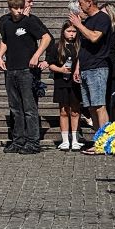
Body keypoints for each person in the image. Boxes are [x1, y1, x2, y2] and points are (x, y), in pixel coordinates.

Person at [0, 0, 51, 154]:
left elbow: (46, 37)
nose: (19, 11)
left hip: (27, 70)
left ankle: (33, 141)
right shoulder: (5, 21)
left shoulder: (29, 21)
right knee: (15, 107)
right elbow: (5, 40)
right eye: (16, 8)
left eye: (21, 7)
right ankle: (18, 140)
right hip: (11, 68)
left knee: (29, 107)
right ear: (10, 8)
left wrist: (37, 55)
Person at [69, 0, 111, 132]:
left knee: (99, 105)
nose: (79, 6)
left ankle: (105, 139)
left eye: (81, 3)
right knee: (91, 106)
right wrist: (77, 68)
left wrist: (79, 25)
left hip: (97, 67)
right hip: (86, 67)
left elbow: (94, 37)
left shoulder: (102, 18)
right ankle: (97, 139)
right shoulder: (88, 20)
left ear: (89, 2)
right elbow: (84, 47)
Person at [48, 23, 83, 151]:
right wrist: (60, 69)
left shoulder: (80, 47)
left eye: (74, 31)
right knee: (63, 110)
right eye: (69, 31)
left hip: (75, 82)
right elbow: (50, 63)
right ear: (63, 32)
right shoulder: (57, 46)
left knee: (75, 110)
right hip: (61, 82)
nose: (71, 34)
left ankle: (75, 139)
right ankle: (65, 140)